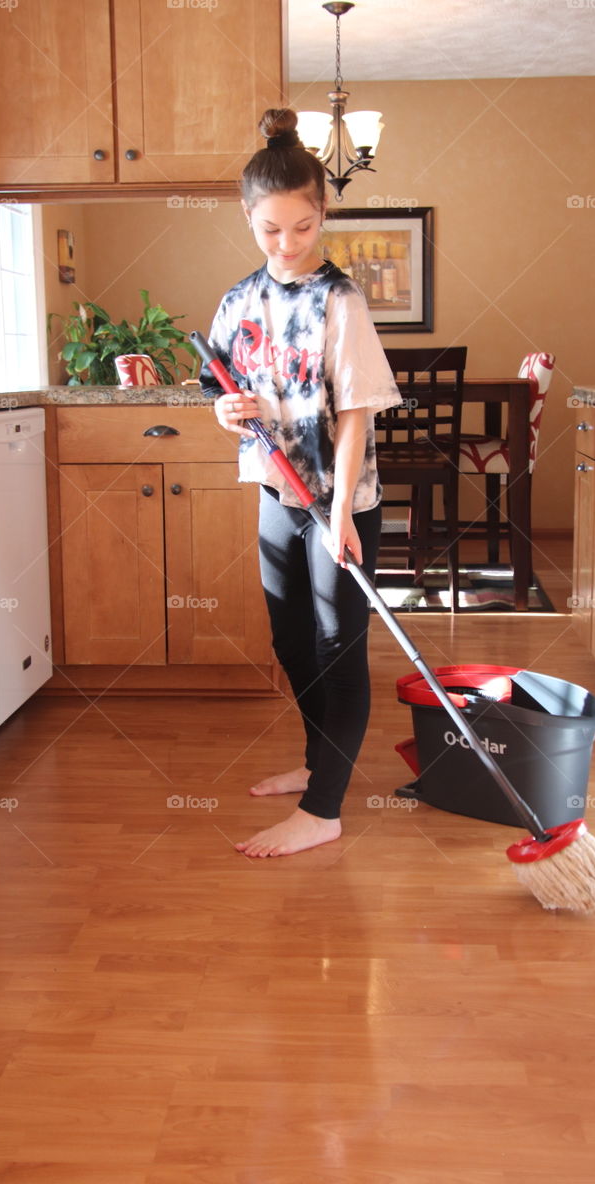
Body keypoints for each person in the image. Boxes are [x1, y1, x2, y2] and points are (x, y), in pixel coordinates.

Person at [200, 107, 401, 859]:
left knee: (336, 645)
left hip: (337, 502)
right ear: (249, 220)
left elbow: (355, 417)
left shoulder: (339, 302)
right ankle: (322, 764)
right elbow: (221, 387)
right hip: (275, 496)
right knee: (291, 641)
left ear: (323, 216)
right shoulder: (237, 300)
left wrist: (343, 510)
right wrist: (227, 408)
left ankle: (324, 810)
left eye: (302, 228)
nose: (287, 244)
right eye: (270, 230)